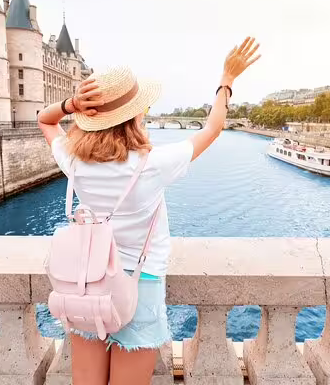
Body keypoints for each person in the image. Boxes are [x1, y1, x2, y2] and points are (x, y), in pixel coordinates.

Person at [37, 37, 260, 385]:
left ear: (92, 117)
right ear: (135, 115)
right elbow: (213, 128)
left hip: (87, 284)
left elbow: (45, 121)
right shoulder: (152, 165)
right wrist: (226, 81)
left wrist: (71, 104)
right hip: (142, 285)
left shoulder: (74, 160)